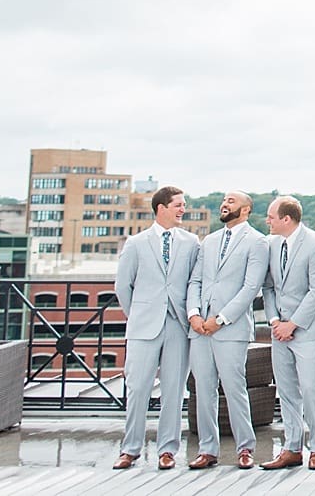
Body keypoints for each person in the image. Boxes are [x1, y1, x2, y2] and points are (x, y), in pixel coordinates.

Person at [114, 185, 200, 470]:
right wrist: (138, 314)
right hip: (143, 326)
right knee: (137, 388)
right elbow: (123, 286)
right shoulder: (136, 243)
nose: (183, 209)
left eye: (183, 205)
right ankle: (130, 449)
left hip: (177, 325)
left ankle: (167, 450)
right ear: (161, 208)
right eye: (178, 205)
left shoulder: (191, 243)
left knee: (174, 391)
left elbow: (194, 282)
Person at [186, 190, 270, 471]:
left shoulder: (257, 242)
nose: (224, 204)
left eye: (231, 201)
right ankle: (207, 450)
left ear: (245, 209)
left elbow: (251, 287)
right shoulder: (209, 241)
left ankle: (245, 448)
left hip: (231, 328)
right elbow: (195, 280)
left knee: (235, 388)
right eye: (224, 200)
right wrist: (194, 314)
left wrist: (220, 319)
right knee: (203, 389)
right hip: (199, 328)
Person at [260, 196, 315, 471]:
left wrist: (292, 325)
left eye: (271, 217)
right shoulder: (271, 244)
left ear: (286, 219)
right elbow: (268, 287)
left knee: (310, 388)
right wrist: (274, 321)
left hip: (309, 329)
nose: (267, 221)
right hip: (279, 330)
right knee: (286, 390)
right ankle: (292, 448)